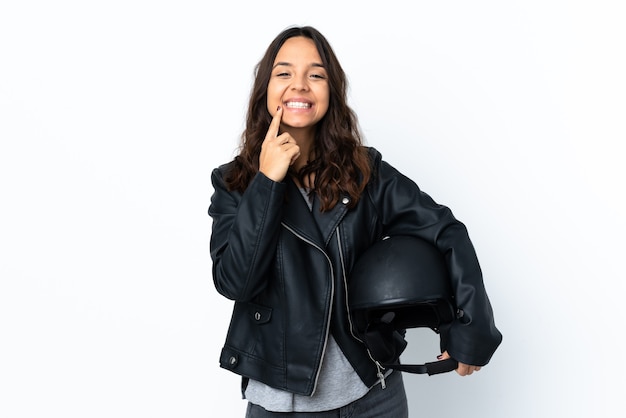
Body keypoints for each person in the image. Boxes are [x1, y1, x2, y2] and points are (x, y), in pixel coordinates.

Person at [208, 25, 502, 417]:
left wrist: (469, 328)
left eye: (316, 74)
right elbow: (235, 282)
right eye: (284, 73)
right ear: (265, 90)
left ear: (332, 91)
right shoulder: (235, 183)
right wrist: (267, 182)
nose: (300, 85)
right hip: (280, 402)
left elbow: (444, 230)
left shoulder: (365, 172)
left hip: (371, 393)